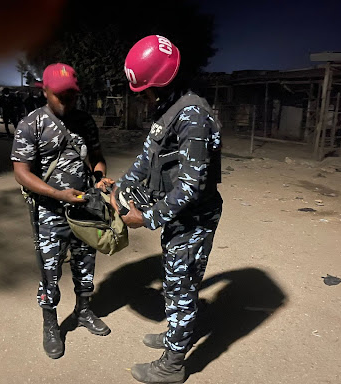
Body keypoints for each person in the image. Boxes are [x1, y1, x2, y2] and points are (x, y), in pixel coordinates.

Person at [111, 35, 223, 384]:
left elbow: (190, 186)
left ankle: (173, 364)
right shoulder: (169, 111)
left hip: (194, 219)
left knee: (180, 286)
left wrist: (145, 217)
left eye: (145, 90)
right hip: (179, 218)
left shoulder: (194, 117)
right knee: (176, 282)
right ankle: (178, 333)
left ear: (163, 82)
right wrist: (121, 186)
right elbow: (147, 160)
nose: (142, 96)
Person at [11, 63, 114, 359]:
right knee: (49, 271)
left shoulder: (85, 121)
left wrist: (99, 178)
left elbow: (97, 157)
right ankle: (50, 324)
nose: (67, 101)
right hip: (49, 212)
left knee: (86, 263)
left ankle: (83, 311)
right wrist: (57, 193)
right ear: (45, 91)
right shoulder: (31, 124)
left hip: (85, 208)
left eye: (72, 95)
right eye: (60, 95)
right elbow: (21, 172)